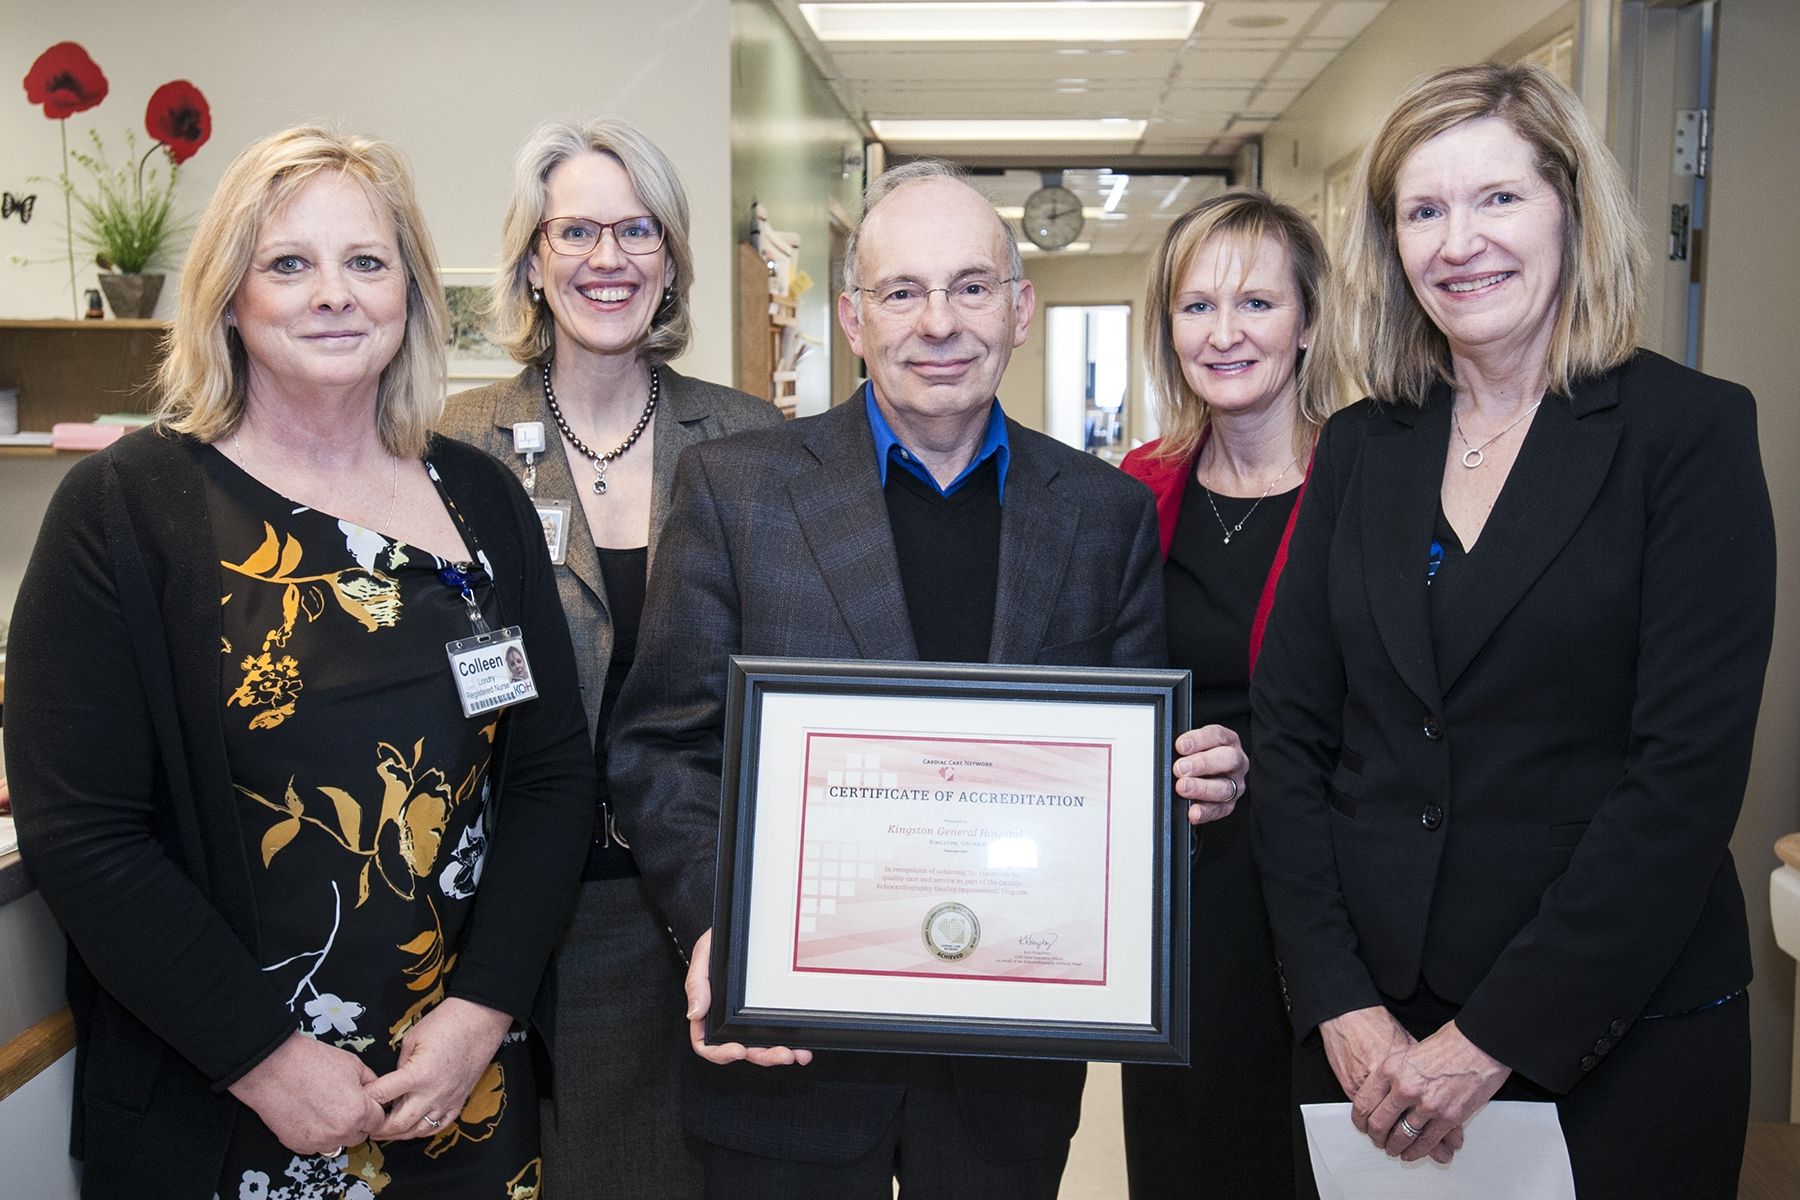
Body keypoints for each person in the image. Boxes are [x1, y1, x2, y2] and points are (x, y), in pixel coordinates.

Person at [607, 160, 1249, 1200]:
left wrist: (1191, 782)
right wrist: (728, 926)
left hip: (1006, 1073)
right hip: (790, 1055)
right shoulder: (738, 493)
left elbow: (1131, 779)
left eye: (971, 287)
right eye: (903, 292)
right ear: (856, 319)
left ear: (1021, 309)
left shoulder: (1103, 515)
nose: (938, 322)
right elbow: (664, 747)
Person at [4, 126, 594, 1199]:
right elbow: (83, 832)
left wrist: (482, 1012)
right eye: (289, 264)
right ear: (229, 295)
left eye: (367, 263)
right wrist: (263, 1060)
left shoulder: (483, 499)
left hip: (458, 1092)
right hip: (223, 1096)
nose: (334, 294)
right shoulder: (128, 510)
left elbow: (550, 774)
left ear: (409, 294)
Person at [1250, 62, 1775, 1198]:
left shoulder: (1687, 437)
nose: (1459, 242)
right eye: (1423, 211)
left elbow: (1681, 781)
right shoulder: (1359, 448)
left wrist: (1489, 1041)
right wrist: (1336, 997)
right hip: (1370, 1042)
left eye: (1498, 199)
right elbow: (1291, 735)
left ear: (1572, 211)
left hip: (1618, 1031)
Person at [437, 115, 782, 1198]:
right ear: (533, 261)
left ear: (673, 259)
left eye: (638, 231)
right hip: (498, 911)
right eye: (575, 231)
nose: (607, 259)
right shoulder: (448, 443)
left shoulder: (750, 442)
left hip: (694, 900)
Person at [1118, 189, 1334, 1197]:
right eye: (1196, 306)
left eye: (1256, 303)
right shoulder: (1138, 485)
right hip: (1178, 900)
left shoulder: (1369, 483)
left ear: (1308, 320)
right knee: (1184, 1157)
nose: (1225, 332)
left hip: (1319, 895)